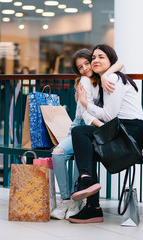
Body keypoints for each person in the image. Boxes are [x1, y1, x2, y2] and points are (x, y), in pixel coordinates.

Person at [68, 44, 143, 223]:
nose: (95, 60)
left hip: (130, 133)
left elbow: (109, 116)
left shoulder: (113, 78)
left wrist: (84, 102)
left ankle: (88, 191)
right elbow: (120, 64)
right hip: (122, 129)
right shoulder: (109, 76)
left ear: (110, 60)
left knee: (80, 133)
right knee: (87, 147)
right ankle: (92, 205)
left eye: (101, 57)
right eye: (93, 57)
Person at [50, 49, 124, 220]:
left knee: (80, 156)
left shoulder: (104, 77)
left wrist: (107, 74)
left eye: (86, 63)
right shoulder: (84, 81)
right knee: (58, 153)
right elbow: (85, 114)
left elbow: (120, 63)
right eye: (79, 67)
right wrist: (104, 128)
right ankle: (68, 198)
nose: (84, 68)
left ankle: (77, 199)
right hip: (82, 125)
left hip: (92, 128)